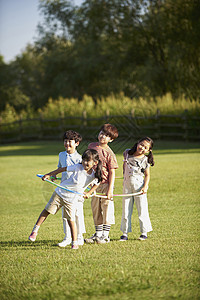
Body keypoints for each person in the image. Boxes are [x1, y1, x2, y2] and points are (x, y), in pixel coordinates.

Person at [28, 149, 102, 249]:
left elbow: (97, 183)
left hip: (72, 199)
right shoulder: (78, 167)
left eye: (88, 161)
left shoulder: (94, 175)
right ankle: (35, 231)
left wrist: (89, 193)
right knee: (47, 211)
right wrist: (49, 174)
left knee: (71, 220)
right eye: (84, 160)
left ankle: (74, 242)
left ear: (95, 163)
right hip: (60, 193)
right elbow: (62, 169)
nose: (85, 162)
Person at [84, 123, 119, 244]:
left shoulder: (109, 153)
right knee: (96, 209)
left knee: (107, 208)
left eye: (106, 136)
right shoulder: (91, 146)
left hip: (105, 184)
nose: (102, 136)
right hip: (93, 184)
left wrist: (110, 189)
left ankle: (105, 235)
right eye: (102, 133)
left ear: (111, 140)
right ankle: (97, 234)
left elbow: (112, 172)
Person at [120, 137, 155, 241]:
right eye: (141, 145)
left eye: (145, 147)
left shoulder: (145, 160)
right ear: (137, 143)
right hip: (127, 186)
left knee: (142, 209)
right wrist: (124, 177)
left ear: (149, 151)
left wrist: (145, 187)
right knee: (126, 209)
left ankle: (144, 232)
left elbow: (147, 175)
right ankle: (124, 233)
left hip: (139, 186)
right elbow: (124, 166)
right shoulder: (127, 153)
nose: (142, 148)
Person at [55, 130, 85, 247]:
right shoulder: (61, 155)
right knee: (66, 215)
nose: (67, 144)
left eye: (70, 141)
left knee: (77, 214)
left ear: (77, 143)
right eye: (65, 141)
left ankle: (79, 237)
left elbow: (83, 175)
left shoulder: (80, 158)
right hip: (64, 190)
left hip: (76, 191)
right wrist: (53, 176)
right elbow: (59, 168)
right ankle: (67, 237)